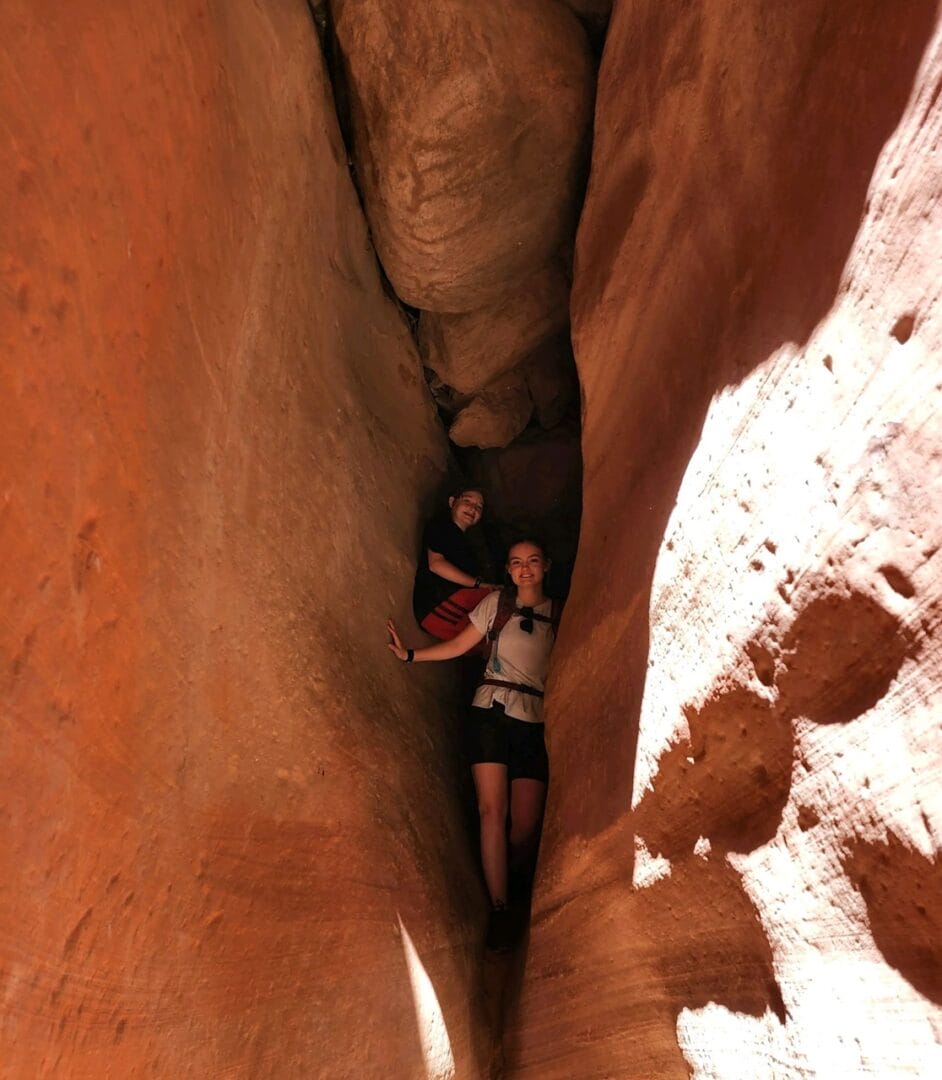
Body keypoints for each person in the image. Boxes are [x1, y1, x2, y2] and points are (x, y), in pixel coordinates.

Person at [389, 539, 561, 951]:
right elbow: (458, 645)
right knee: (491, 810)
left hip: (534, 720)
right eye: (517, 562)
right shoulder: (497, 605)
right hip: (491, 713)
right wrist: (411, 656)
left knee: (524, 826)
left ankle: (514, 880)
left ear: (546, 566)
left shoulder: (560, 613)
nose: (524, 569)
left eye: (533, 561)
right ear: (507, 568)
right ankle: (501, 909)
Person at [412, 488, 499, 644]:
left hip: (449, 615)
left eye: (479, 507)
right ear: (452, 502)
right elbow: (436, 565)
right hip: (435, 607)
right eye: (467, 501)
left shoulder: (467, 546)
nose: (473, 508)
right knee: (501, 597)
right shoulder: (441, 526)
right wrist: (479, 585)